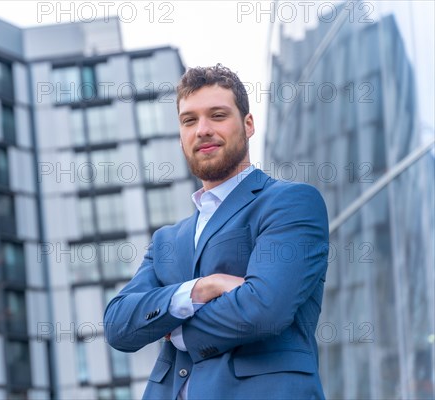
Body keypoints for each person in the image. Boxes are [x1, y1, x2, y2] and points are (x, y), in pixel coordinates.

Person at [104, 64, 329, 399]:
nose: (202, 130)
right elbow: (119, 325)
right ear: (181, 137)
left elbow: (264, 310)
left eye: (218, 115)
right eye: (189, 120)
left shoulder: (290, 203)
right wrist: (200, 289)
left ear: (248, 124)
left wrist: (175, 327)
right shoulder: (168, 239)